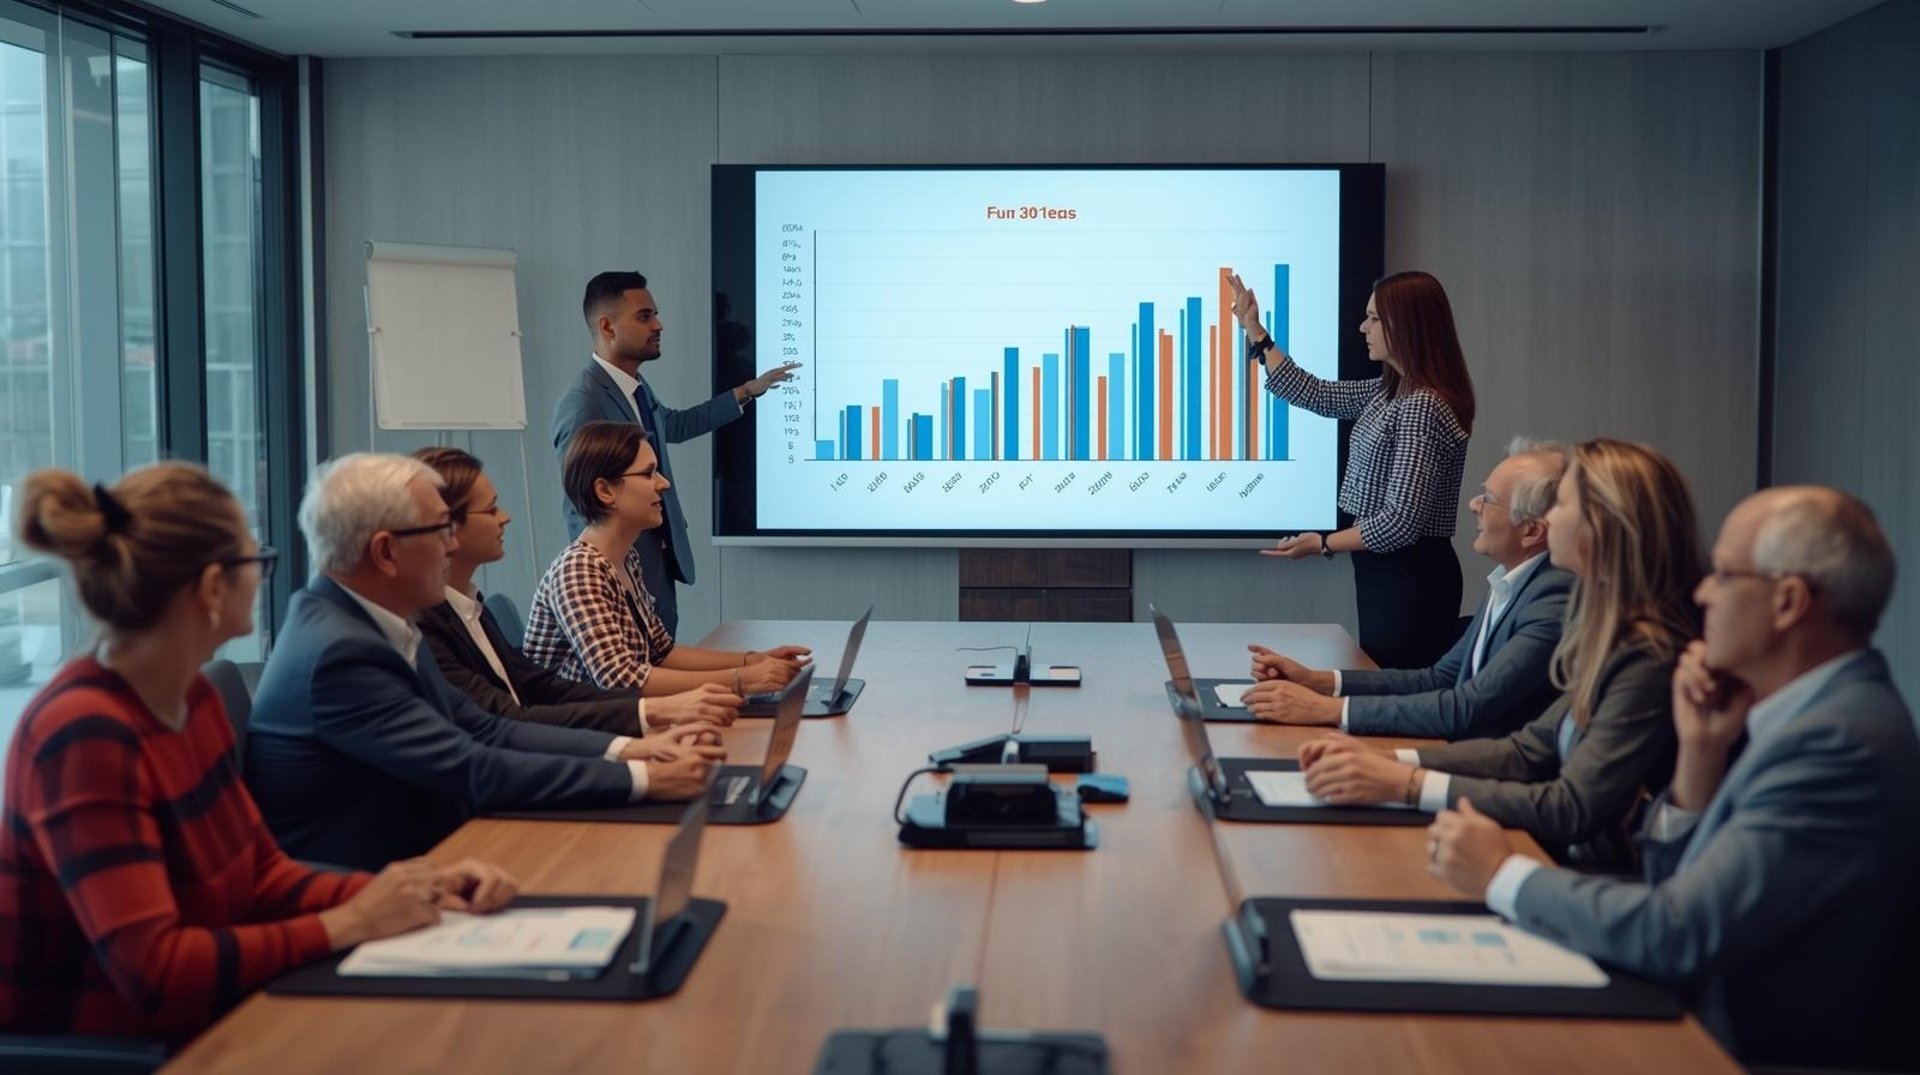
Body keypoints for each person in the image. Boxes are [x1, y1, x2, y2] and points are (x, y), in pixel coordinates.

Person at [0, 463, 518, 1044]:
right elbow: (155, 971)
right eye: (257, 563)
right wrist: (347, 922)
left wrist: (417, 888)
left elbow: (260, 874)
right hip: (124, 1045)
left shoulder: (189, 699)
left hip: (216, 1013)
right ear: (213, 587)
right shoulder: (81, 734)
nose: (266, 580)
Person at [1428, 487, 1919, 1071]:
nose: (1704, 591)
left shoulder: (1836, 744)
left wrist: (1501, 873)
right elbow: (1675, 886)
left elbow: (1677, 932)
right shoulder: (1820, 712)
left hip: (1740, 1049)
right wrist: (1699, 760)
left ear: (1788, 603)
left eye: (1726, 574)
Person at [246, 453, 725, 871]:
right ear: (386, 552)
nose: (452, 545)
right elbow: (470, 766)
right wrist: (643, 778)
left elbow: (486, 729)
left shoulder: (373, 620)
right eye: (439, 531)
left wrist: (632, 751)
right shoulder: (339, 653)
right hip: (383, 889)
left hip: (441, 853)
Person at [1298, 439, 1699, 870]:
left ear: (1600, 527)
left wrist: (1408, 783)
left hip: (1582, 871)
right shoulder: (1612, 628)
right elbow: (1527, 749)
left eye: (1560, 505)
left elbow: (1572, 808)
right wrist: (1388, 763)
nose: (1549, 519)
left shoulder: (1643, 650)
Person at [1243, 438, 1572, 740]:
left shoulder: (1551, 599)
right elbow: (1436, 680)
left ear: (1531, 531)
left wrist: (1325, 710)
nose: (1473, 504)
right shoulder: (1511, 578)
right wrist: (1317, 681)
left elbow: (1466, 709)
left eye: (1488, 498)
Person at [1228, 270, 1474, 669]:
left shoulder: (1421, 406)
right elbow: (1314, 392)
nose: (1364, 327)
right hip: (1389, 572)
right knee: (1387, 680)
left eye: (1375, 318)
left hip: (1410, 575)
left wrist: (1324, 544)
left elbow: (1400, 521)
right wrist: (1256, 331)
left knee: (1397, 688)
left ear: (1407, 326)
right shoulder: (1392, 392)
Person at [411, 446, 742, 735]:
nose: (506, 517)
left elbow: (539, 686)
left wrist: (746, 666)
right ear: (445, 526)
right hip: (542, 752)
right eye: (491, 509)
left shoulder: (469, 604)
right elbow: (509, 719)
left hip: (562, 735)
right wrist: (655, 718)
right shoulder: (579, 569)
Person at [551, 271, 800, 634]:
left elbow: (676, 426)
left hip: (653, 563)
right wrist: (603, 580)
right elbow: (581, 504)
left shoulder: (634, 388)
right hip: (621, 571)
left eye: (656, 314)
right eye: (644, 316)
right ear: (607, 327)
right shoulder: (583, 403)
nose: (659, 325)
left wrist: (747, 391)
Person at [528, 421, 809, 695]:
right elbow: (620, 680)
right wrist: (742, 679)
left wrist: (753, 660)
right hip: (580, 732)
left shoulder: (626, 559)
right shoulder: (579, 571)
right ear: (605, 491)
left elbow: (662, 651)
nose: (664, 484)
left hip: (611, 719)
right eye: (649, 473)